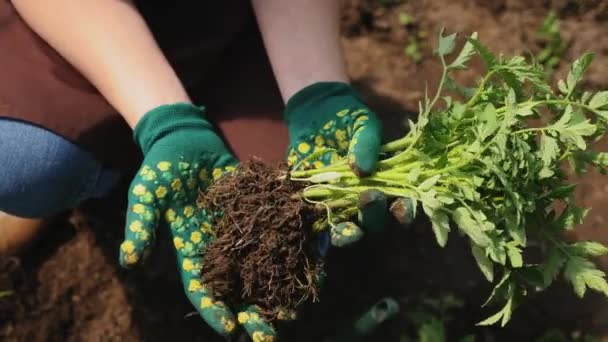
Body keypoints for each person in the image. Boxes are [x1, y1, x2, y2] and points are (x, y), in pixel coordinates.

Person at [0, 0, 404, 339]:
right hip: (86, 21)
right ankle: (95, 175)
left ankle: (104, 167)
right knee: (23, 160)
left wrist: (315, 91)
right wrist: (168, 122)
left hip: (240, 27)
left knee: (298, 212)